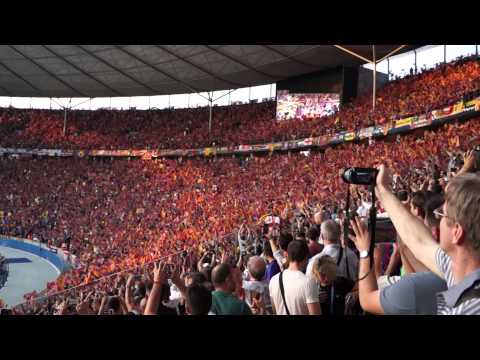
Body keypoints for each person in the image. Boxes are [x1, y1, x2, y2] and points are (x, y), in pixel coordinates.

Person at [375, 165, 480, 314]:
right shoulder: (457, 266)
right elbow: (418, 240)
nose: (437, 220)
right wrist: (382, 190)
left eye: (442, 215)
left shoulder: (468, 309)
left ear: (456, 232)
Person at [269, 240, 321, 315]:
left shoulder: (273, 280)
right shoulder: (308, 283)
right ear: (306, 258)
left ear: (287, 255)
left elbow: (274, 310)